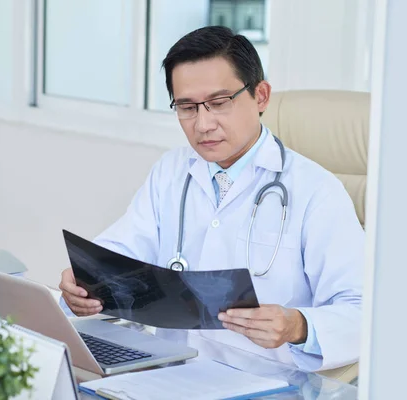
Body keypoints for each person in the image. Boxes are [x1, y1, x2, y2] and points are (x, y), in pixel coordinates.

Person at [59, 26, 363, 371]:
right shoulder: (171, 171)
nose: (203, 124)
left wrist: (298, 325)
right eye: (187, 107)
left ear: (260, 96)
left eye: (219, 103)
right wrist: (84, 284)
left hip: (265, 380)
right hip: (165, 371)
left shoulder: (316, 191)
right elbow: (121, 254)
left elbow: (364, 310)